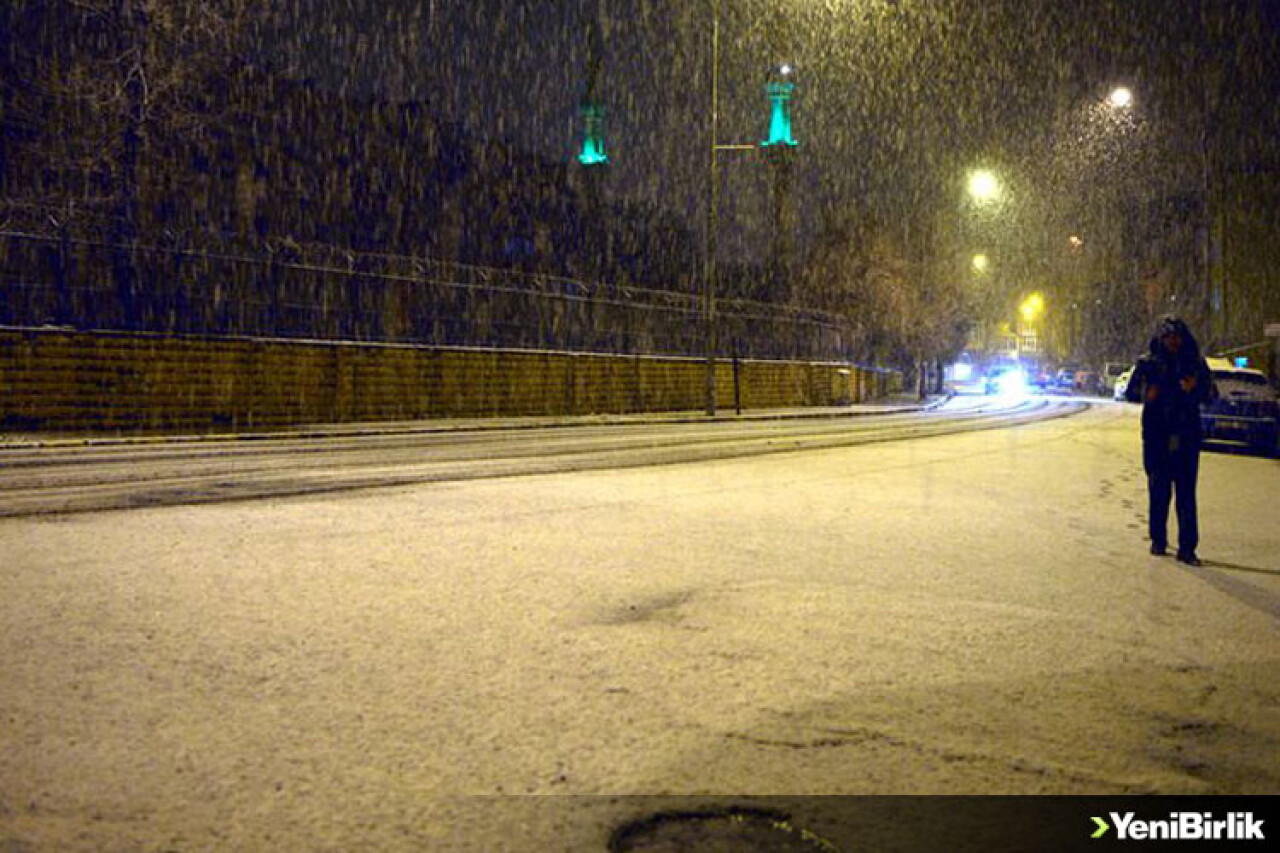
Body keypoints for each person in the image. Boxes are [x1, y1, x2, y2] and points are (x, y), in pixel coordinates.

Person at [1125, 316, 1216, 565]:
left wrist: (1194, 388)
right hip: (1157, 435)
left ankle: (1187, 547)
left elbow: (1210, 393)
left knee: (1186, 493)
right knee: (1158, 490)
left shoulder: (1194, 363)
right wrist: (1147, 393)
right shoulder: (1149, 363)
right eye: (1168, 337)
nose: (1172, 342)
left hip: (1186, 435)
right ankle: (1158, 539)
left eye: (1176, 337)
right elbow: (1130, 393)